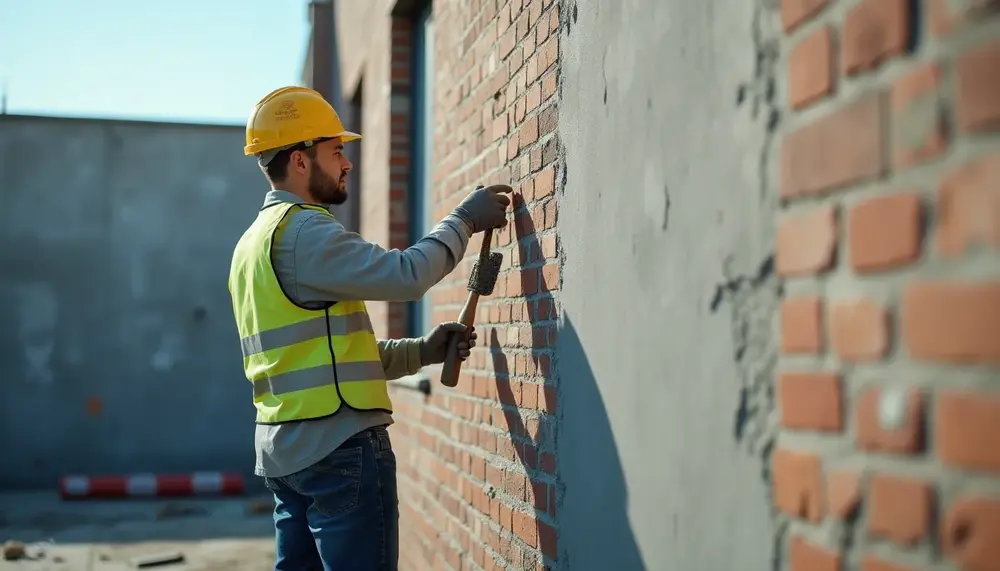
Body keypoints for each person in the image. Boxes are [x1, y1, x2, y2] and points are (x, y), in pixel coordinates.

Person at [227, 86, 512, 571]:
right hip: (338, 453)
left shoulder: (250, 245)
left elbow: (329, 355)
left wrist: (422, 350)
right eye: (335, 150)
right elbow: (406, 276)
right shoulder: (303, 231)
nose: (347, 163)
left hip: (286, 457)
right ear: (300, 161)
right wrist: (464, 219)